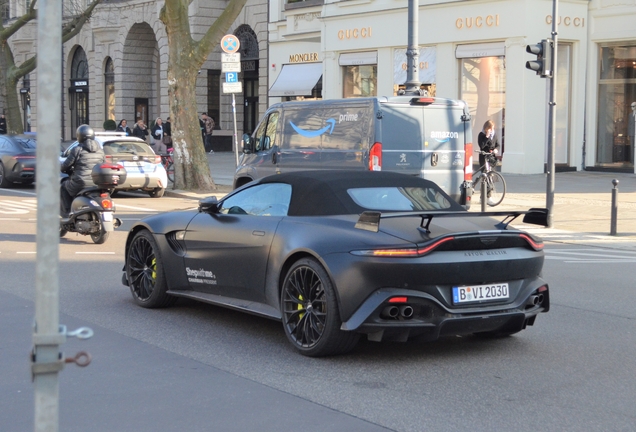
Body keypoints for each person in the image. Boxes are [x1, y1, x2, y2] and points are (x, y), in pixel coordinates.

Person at [60, 125, 105, 218]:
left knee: (63, 187)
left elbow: (65, 166)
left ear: (79, 136)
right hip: (96, 183)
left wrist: (63, 168)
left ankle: (67, 212)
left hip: (80, 182)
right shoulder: (101, 151)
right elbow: (103, 165)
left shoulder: (77, 149)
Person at [477, 120, 500, 205]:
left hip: (491, 157)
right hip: (484, 157)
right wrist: (486, 137)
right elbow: (481, 146)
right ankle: (486, 197)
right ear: (486, 128)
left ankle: (486, 197)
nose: (491, 130)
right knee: (485, 177)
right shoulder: (481, 135)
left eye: (492, 128)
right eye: (490, 128)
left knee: (491, 176)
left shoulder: (494, 134)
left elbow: (497, 144)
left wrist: (496, 149)